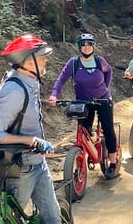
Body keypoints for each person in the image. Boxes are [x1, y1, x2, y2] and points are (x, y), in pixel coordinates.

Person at [0, 34, 70, 224]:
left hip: (37, 163)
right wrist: (30, 141)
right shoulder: (14, 91)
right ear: (27, 62)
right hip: (20, 169)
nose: (45, 61)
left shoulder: (29, 82)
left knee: (52, 216)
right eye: (41, 58)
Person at [48, 33, 121, 179]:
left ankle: (113, 163)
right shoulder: (73, 63)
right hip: (83, 101)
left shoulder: (99, 61)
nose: (86, 47)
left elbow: (108, 71)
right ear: (79, 47)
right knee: (84, 130)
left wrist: (105, 88)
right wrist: (54, 95)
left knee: (108, 129)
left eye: (89, 44)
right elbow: (61, 79)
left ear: (93, 46)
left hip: (103, 100)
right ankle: (84, 155)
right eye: (83, 44)